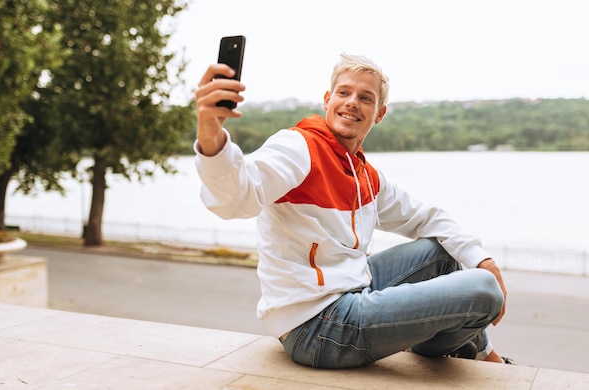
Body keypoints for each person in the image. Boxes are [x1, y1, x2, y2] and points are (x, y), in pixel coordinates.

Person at [194, 53, 510, 368]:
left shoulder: (364, 175)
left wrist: (480, 256)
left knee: (444, 252)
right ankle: (477, 355)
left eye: (365, 97)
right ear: (327, 99)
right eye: (344, 93)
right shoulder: (298, 147)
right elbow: (238, 197)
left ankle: (468, 349)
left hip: (351, 292)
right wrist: (210, 134)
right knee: (484, 290)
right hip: (316, 326)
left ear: (380, 113)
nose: (352, 102)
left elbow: (427, 217)